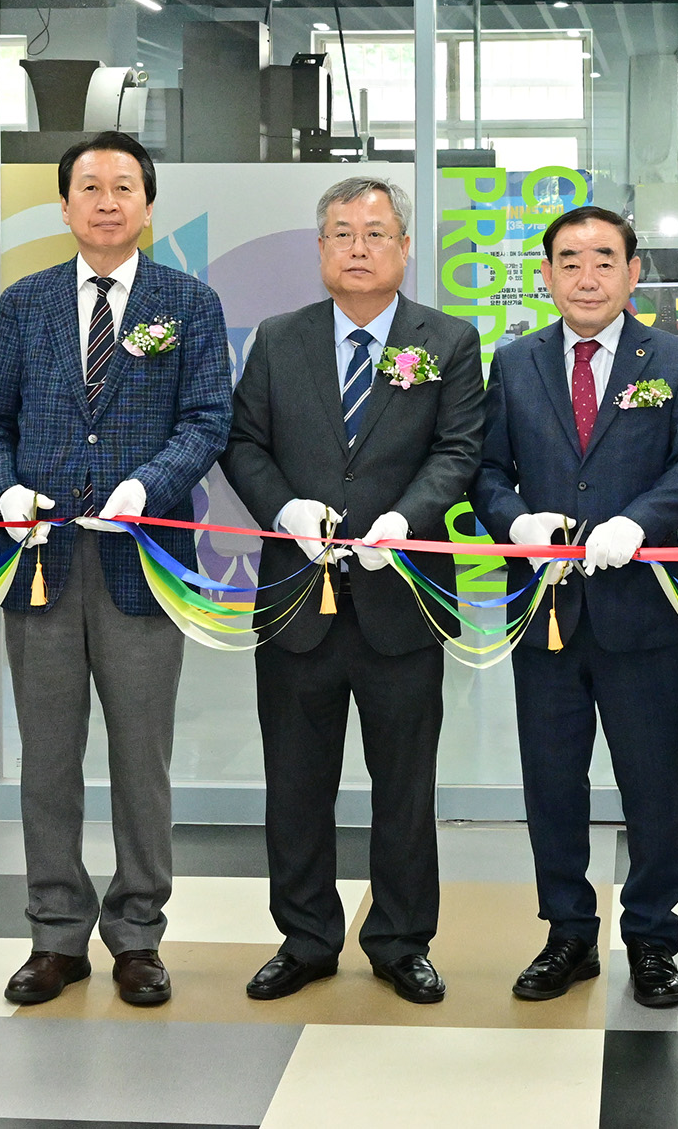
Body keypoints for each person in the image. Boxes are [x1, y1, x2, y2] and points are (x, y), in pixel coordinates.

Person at [0, 131, 232, 1010]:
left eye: (125, 186)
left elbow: (206, 421)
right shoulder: (26, 302)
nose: (108, 200)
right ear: (67, 204)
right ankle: (55, 934)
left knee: (140, 757)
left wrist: (144, 485)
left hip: (141, 562)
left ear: (148, 203)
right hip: (40, 562)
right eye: (91, 186)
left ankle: (137, 933)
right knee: (46, 758)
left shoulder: (187, 302)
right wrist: (3, 489)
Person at [222, 176, 486, 1005]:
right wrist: (283, 507)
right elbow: (243, 442)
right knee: (296, 782)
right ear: (321, 249)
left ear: (405, 247)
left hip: (401, 599)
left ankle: (402, 938)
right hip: (297, 599)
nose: (359, 247)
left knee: (405, 785)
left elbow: (460, 448)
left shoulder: (446, 339)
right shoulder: (277, 337)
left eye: (376, 232)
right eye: (341, 233)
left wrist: (405, 520)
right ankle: (304, 936)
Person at [472, 205, 678, 1011]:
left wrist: (637, 523)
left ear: (633, 271)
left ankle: (652, 935)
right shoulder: (513, 364)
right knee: (552, 778)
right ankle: (568, 931)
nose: (586, 275)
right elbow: (487, 471)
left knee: (652, 780)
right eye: (569, 260)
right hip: (542, 608)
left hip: (641, 606)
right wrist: (517, 522)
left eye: (604, 259)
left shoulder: (675, 359)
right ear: (545, 274)